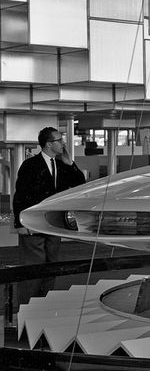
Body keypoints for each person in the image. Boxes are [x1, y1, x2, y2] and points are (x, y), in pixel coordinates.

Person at [11, 127, 87, 305]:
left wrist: (70, 164)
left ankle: (44, 306)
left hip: (54, 224)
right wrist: (19, 224)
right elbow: (20, 195)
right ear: (48, 144)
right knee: (32, 268)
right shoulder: (30, 165)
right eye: (59, 140)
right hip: (33, 223)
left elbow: (80, 183)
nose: (63, 143)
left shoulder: (61, 165)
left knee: (51, 267)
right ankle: (27, 308)